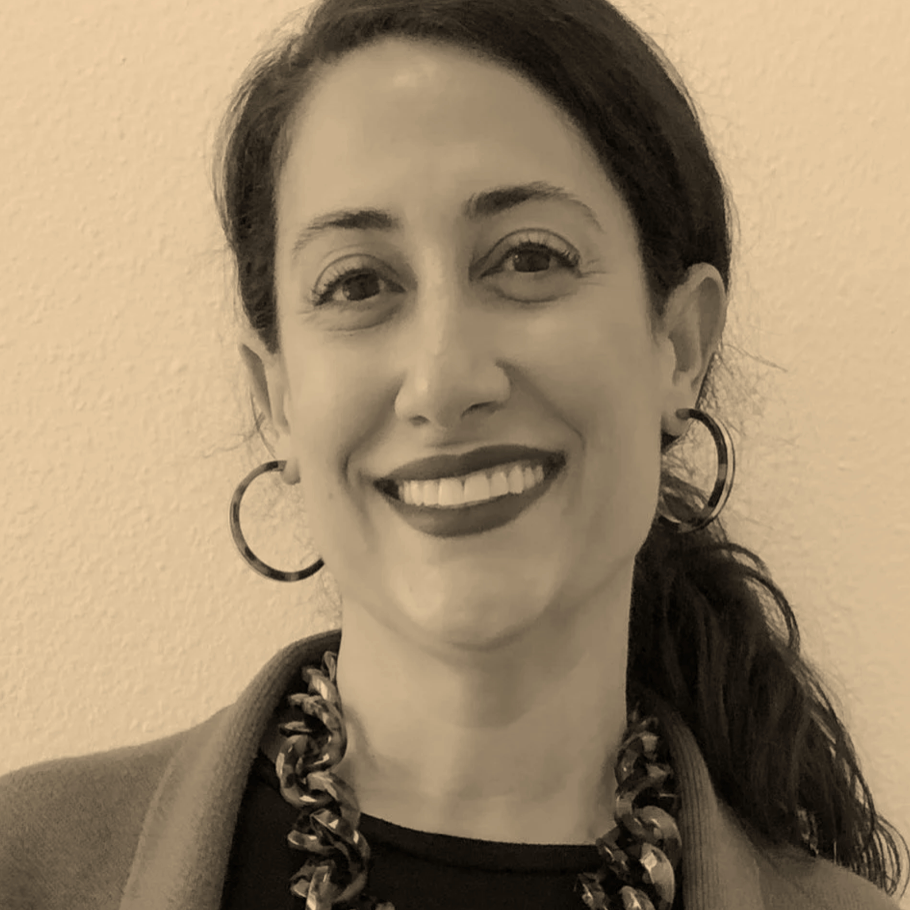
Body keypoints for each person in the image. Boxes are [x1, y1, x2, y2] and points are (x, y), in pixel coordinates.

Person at [1, 0, 907, 907]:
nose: (442, 380)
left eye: (528, 259)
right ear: (273, 397)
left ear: (678, 344)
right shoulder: (24, 864)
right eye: (357, 282)